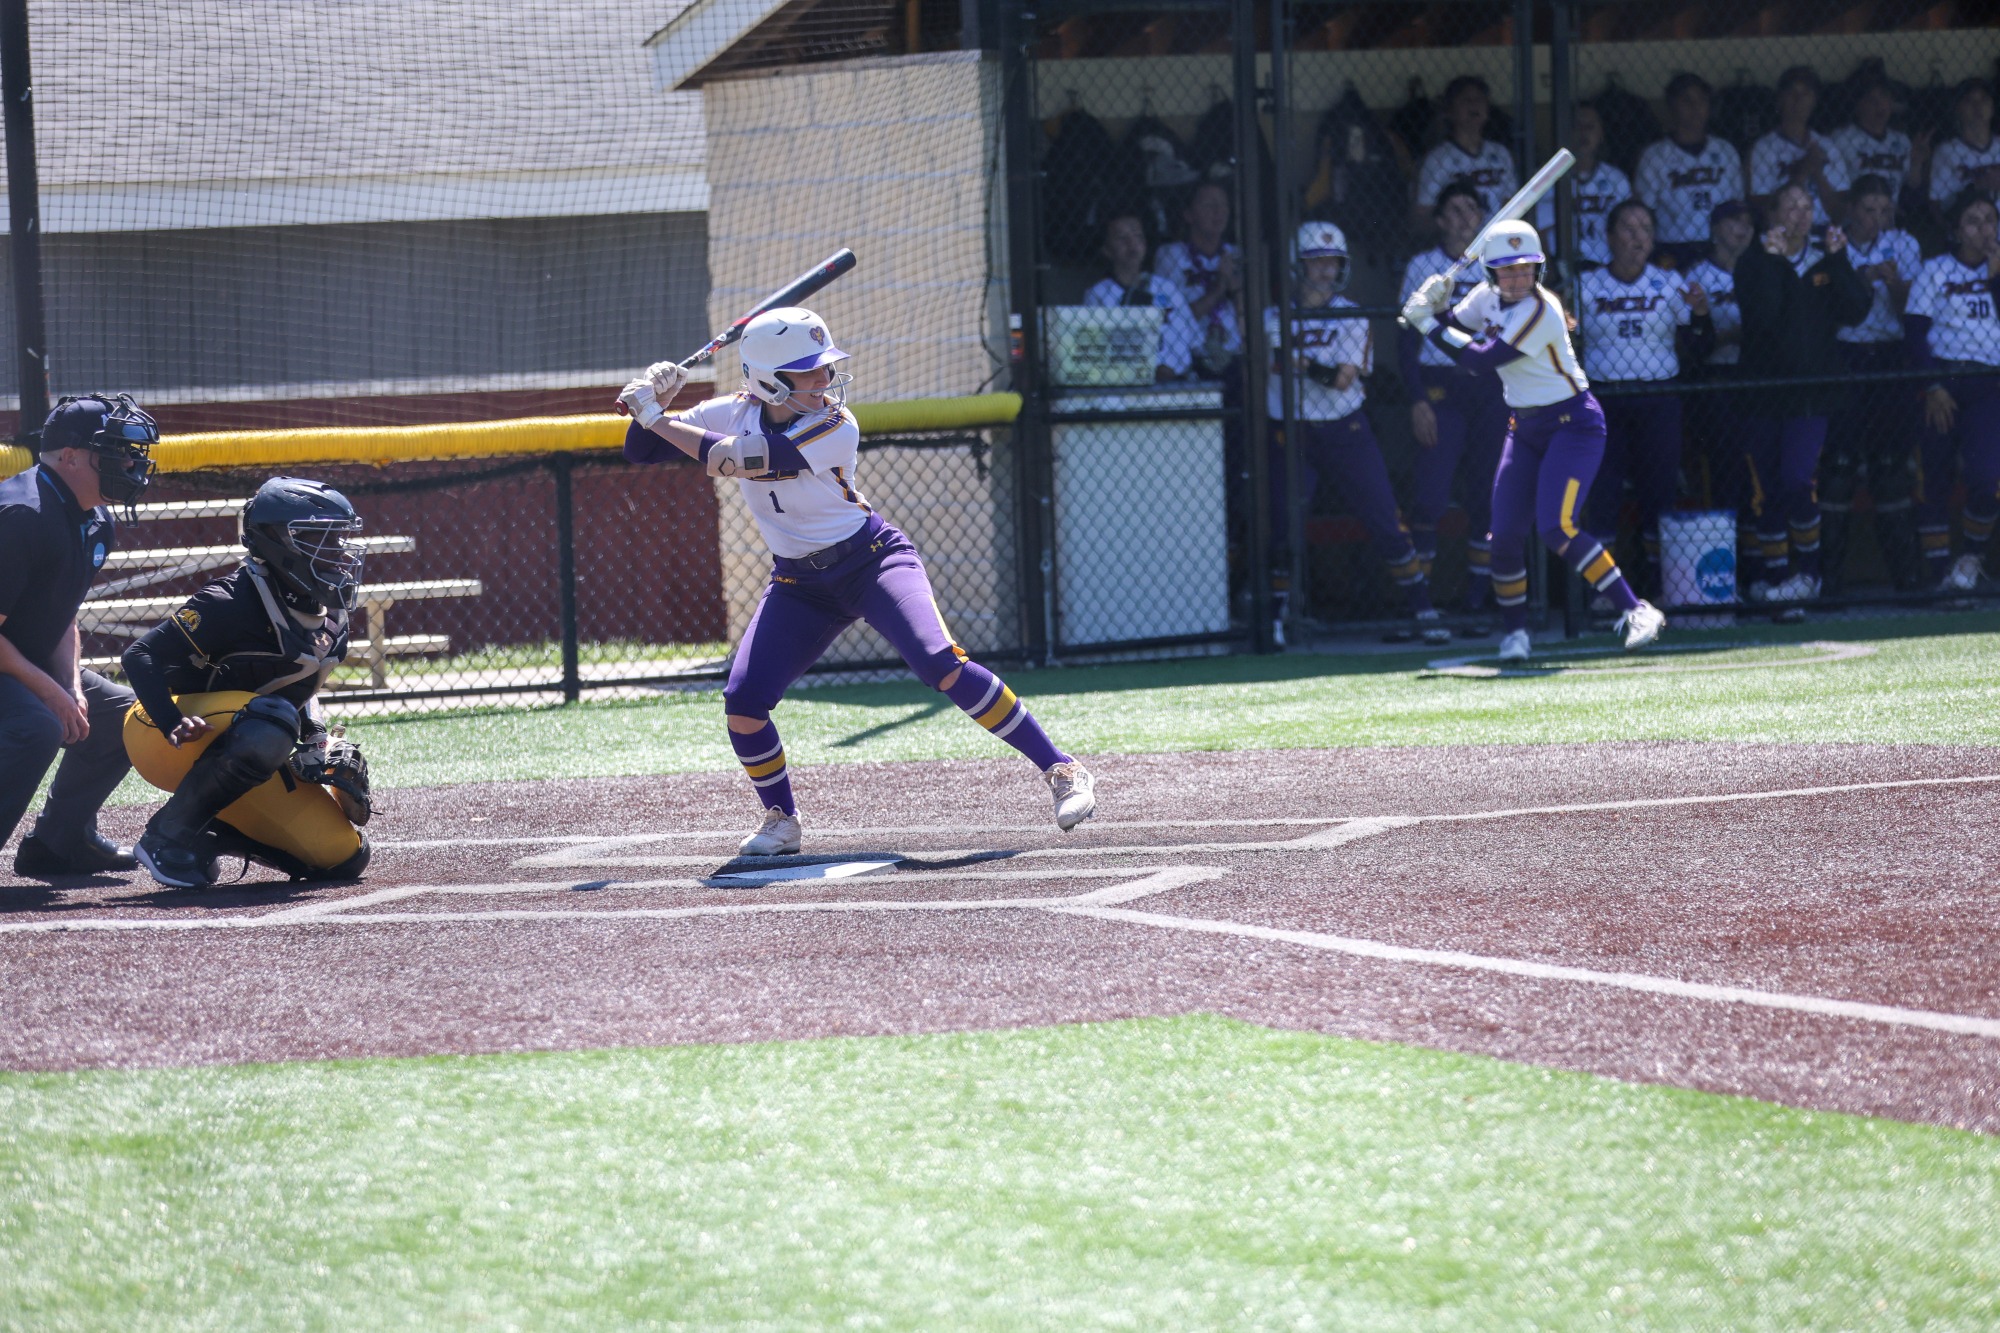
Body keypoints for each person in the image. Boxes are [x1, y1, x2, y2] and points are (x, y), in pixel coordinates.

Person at [619, 309, 1096, 855]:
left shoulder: (835, 422)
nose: (824, 381)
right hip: (799, 582)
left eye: (825, 368)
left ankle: (1061, 767)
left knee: (939, 663)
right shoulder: (736, 410)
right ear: (768, 379)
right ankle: (782, 819)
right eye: (809, 372)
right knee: (744, 698)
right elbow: (641, 449)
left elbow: (742, 461)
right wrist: (652, 405)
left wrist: (657, 414)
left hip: (872, 562)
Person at [1401, 219, 1666, 663]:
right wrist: (1433, 305)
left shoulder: (1540, 311)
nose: (1518, 277)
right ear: (1491, 273)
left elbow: (1482, 361)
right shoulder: (1485, 296)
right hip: (1524, 428)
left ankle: (1637, 610)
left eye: (1526, 268)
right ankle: (1515, 636)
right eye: (1508, 270)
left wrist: (1427, 324)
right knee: (1503, 535)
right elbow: (1453, 325)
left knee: (1556, 527)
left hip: (1573, 424)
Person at [122, 477, 375, 888]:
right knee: (271, 722)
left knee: (342, 858)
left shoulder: (329, 610)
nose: (337, 552)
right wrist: (170, 721)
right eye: (321, 539)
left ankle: (215, 830)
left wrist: (315, 737)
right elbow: (139, 655)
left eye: (339, 539)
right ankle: (166, 835)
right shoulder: (231, 600)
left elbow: (298, 687)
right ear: (277, 541)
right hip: (167, 732)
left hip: (250, 736)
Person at [1266, 223, 1449, 647]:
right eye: (1316, 261)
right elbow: (1276, 364)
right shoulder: (1271, 316)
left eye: (1332, 262)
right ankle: (1275, 616)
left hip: (1346, 429)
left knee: (1385, 518)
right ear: (1298, 265)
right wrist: (1304, 364)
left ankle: (1422, 608)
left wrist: (1299, 362)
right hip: (1291, 432)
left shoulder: (1351, 313)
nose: (1326, 270)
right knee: (1283, 525)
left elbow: (1341, 380)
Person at [0, 395, 155, 878]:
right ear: (69, 457)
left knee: (127, 716)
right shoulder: (23, 516)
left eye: (133, 453)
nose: (129, 463)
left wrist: (69, 686)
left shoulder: (95, 519)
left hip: (16, 663)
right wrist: (50, 694)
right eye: (115, 452)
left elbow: (62, 615)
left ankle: (60, 842)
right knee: (37, 725)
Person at [1733, 182, 1873, 605]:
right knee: (1768, 490)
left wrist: (1839, 259)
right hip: (1762, 391)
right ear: (1772, 213)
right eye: (1791, 206)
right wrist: (1775, 265)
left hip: (1810, 394)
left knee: (1796, 479)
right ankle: (1777, 581)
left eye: (1807, 206)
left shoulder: (1824, 259)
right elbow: (1765, 319)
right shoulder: (1754, 262)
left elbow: (1855, 310)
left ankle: (1809, 576)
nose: (1800, 214)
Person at [1576, 200, 1714, 594]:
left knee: (1659, 492)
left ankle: (1660, 587)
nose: (1637, 237)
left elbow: (1696, 346)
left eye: (1645, 229)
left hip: (1658, 399)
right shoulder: (1588, 286)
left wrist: (1701, 315)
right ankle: (1602, 594)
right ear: (1609, 237)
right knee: (1602, 494)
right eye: (1628, 228)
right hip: (1605, 400)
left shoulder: (1670, 284)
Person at [1399, 182, 1509, 611]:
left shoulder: (1498, 267)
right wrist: (1416, 399)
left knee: (1487, 495)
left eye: (1472, 208)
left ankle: (1477, 601)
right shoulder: (1422, 266)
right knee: (1430, 495)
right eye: (1455, 210)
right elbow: (1405, 339)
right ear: (1439, 219)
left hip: (1490, 387)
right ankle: (1421, 604)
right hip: (1440, 387)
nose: (1465, 217)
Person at [1823, 174, 1925, 593]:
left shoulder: (1905, 244)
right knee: (1839, 467)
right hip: (1844, 357)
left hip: (1889, 355)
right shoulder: (1832, 243)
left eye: (1885, 210)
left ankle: (1906, 579)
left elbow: (1912, 311)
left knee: (1889, 468)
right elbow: (1825, 306)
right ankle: (1828, 582)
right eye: (1869, 210)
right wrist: (1860, 278)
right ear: (1850, 210)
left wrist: (1896, 284)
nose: (1877, 219)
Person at [1906, 190, 2000, 591]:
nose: (1983, 229)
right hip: (1942, 382)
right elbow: (1913, 333)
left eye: (1989, 221)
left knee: (1986, 477)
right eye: (1973, 222)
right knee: (1935, 480)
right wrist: (1933, 385)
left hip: (1988, 383)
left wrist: (1996, 277)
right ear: (1957, 230)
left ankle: (1969, 560)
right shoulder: (1935, 269)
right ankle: (1938, 572)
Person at [1637, 73, 1747, 271]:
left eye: (1701, 101)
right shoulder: (1655, 156)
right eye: (1686, 100)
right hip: (1673, 246)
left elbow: (1738, 206)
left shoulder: (1725, 150)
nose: (1695, 108)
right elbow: (1646, 211)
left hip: (1720, 246)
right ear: (1672, 106)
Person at [1084, 212, 1202, 382]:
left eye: (1137, 236)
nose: (1132, 243)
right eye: (1121, 238)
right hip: (1125, 382)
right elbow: (1096, 352)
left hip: (1178, 382)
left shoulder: (1167, 288)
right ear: (1107, 250)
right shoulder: (1099, 294)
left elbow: (1195, 341)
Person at [1152, 180, 1244, 380]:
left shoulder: (1236, 255)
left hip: (1234, 355)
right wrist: (1220, 287)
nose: (1218, 211)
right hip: (1191, 357)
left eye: (1223, 205)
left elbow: (1252, 320)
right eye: (1209, 205)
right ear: (1189, 214)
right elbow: (1174, 320)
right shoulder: (1171, 255)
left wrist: (1236, 290)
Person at [1412, 76, 1519, 236]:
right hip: (1459, 240)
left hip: (1497, 237)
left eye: (1479, 99)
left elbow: (1510, 203)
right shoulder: (1438, 158)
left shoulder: (1500, 153)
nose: (1474, 105)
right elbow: (1423, 214)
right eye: (1466, 100)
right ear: (1450, 110)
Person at [1748, 66, 1851, 229]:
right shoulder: (1763, 148)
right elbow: (1763, 212)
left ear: (1814, 101)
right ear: (1779, 100)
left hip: (1824, 233)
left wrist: (1818, 174)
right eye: (1791, 93)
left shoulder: (1827, 146)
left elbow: (1840, 213)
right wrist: (1802, 173)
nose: (1798, 99)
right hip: (1782, 234)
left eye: (1806, 94)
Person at [1830, 71, 1926, 217]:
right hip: (1853, 219)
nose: (1879, 105)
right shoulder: (1842, 138)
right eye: (1871, 99)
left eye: (1884, 97)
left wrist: (1917, 163)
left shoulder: (1901, 140)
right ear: (1858, 105)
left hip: (1889, 219)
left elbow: (1912, 183)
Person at [1570, 102, 1633, 268]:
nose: (1583, 133)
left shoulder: (1616, 178)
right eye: (1577, 127)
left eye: (1590, 127)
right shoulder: (1549, 177)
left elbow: (1629, 226)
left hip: (1608, 265)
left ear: (1601, 134)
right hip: (1562, 263)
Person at [1928, 80, 2000, 214]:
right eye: (1969, 100)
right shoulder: (1946, 151)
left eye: (1984, 99)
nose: (1978, 106)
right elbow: (1935, 204)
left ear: (1992, 107)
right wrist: (1978, 186)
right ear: (1958, 108)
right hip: (1970, 228)